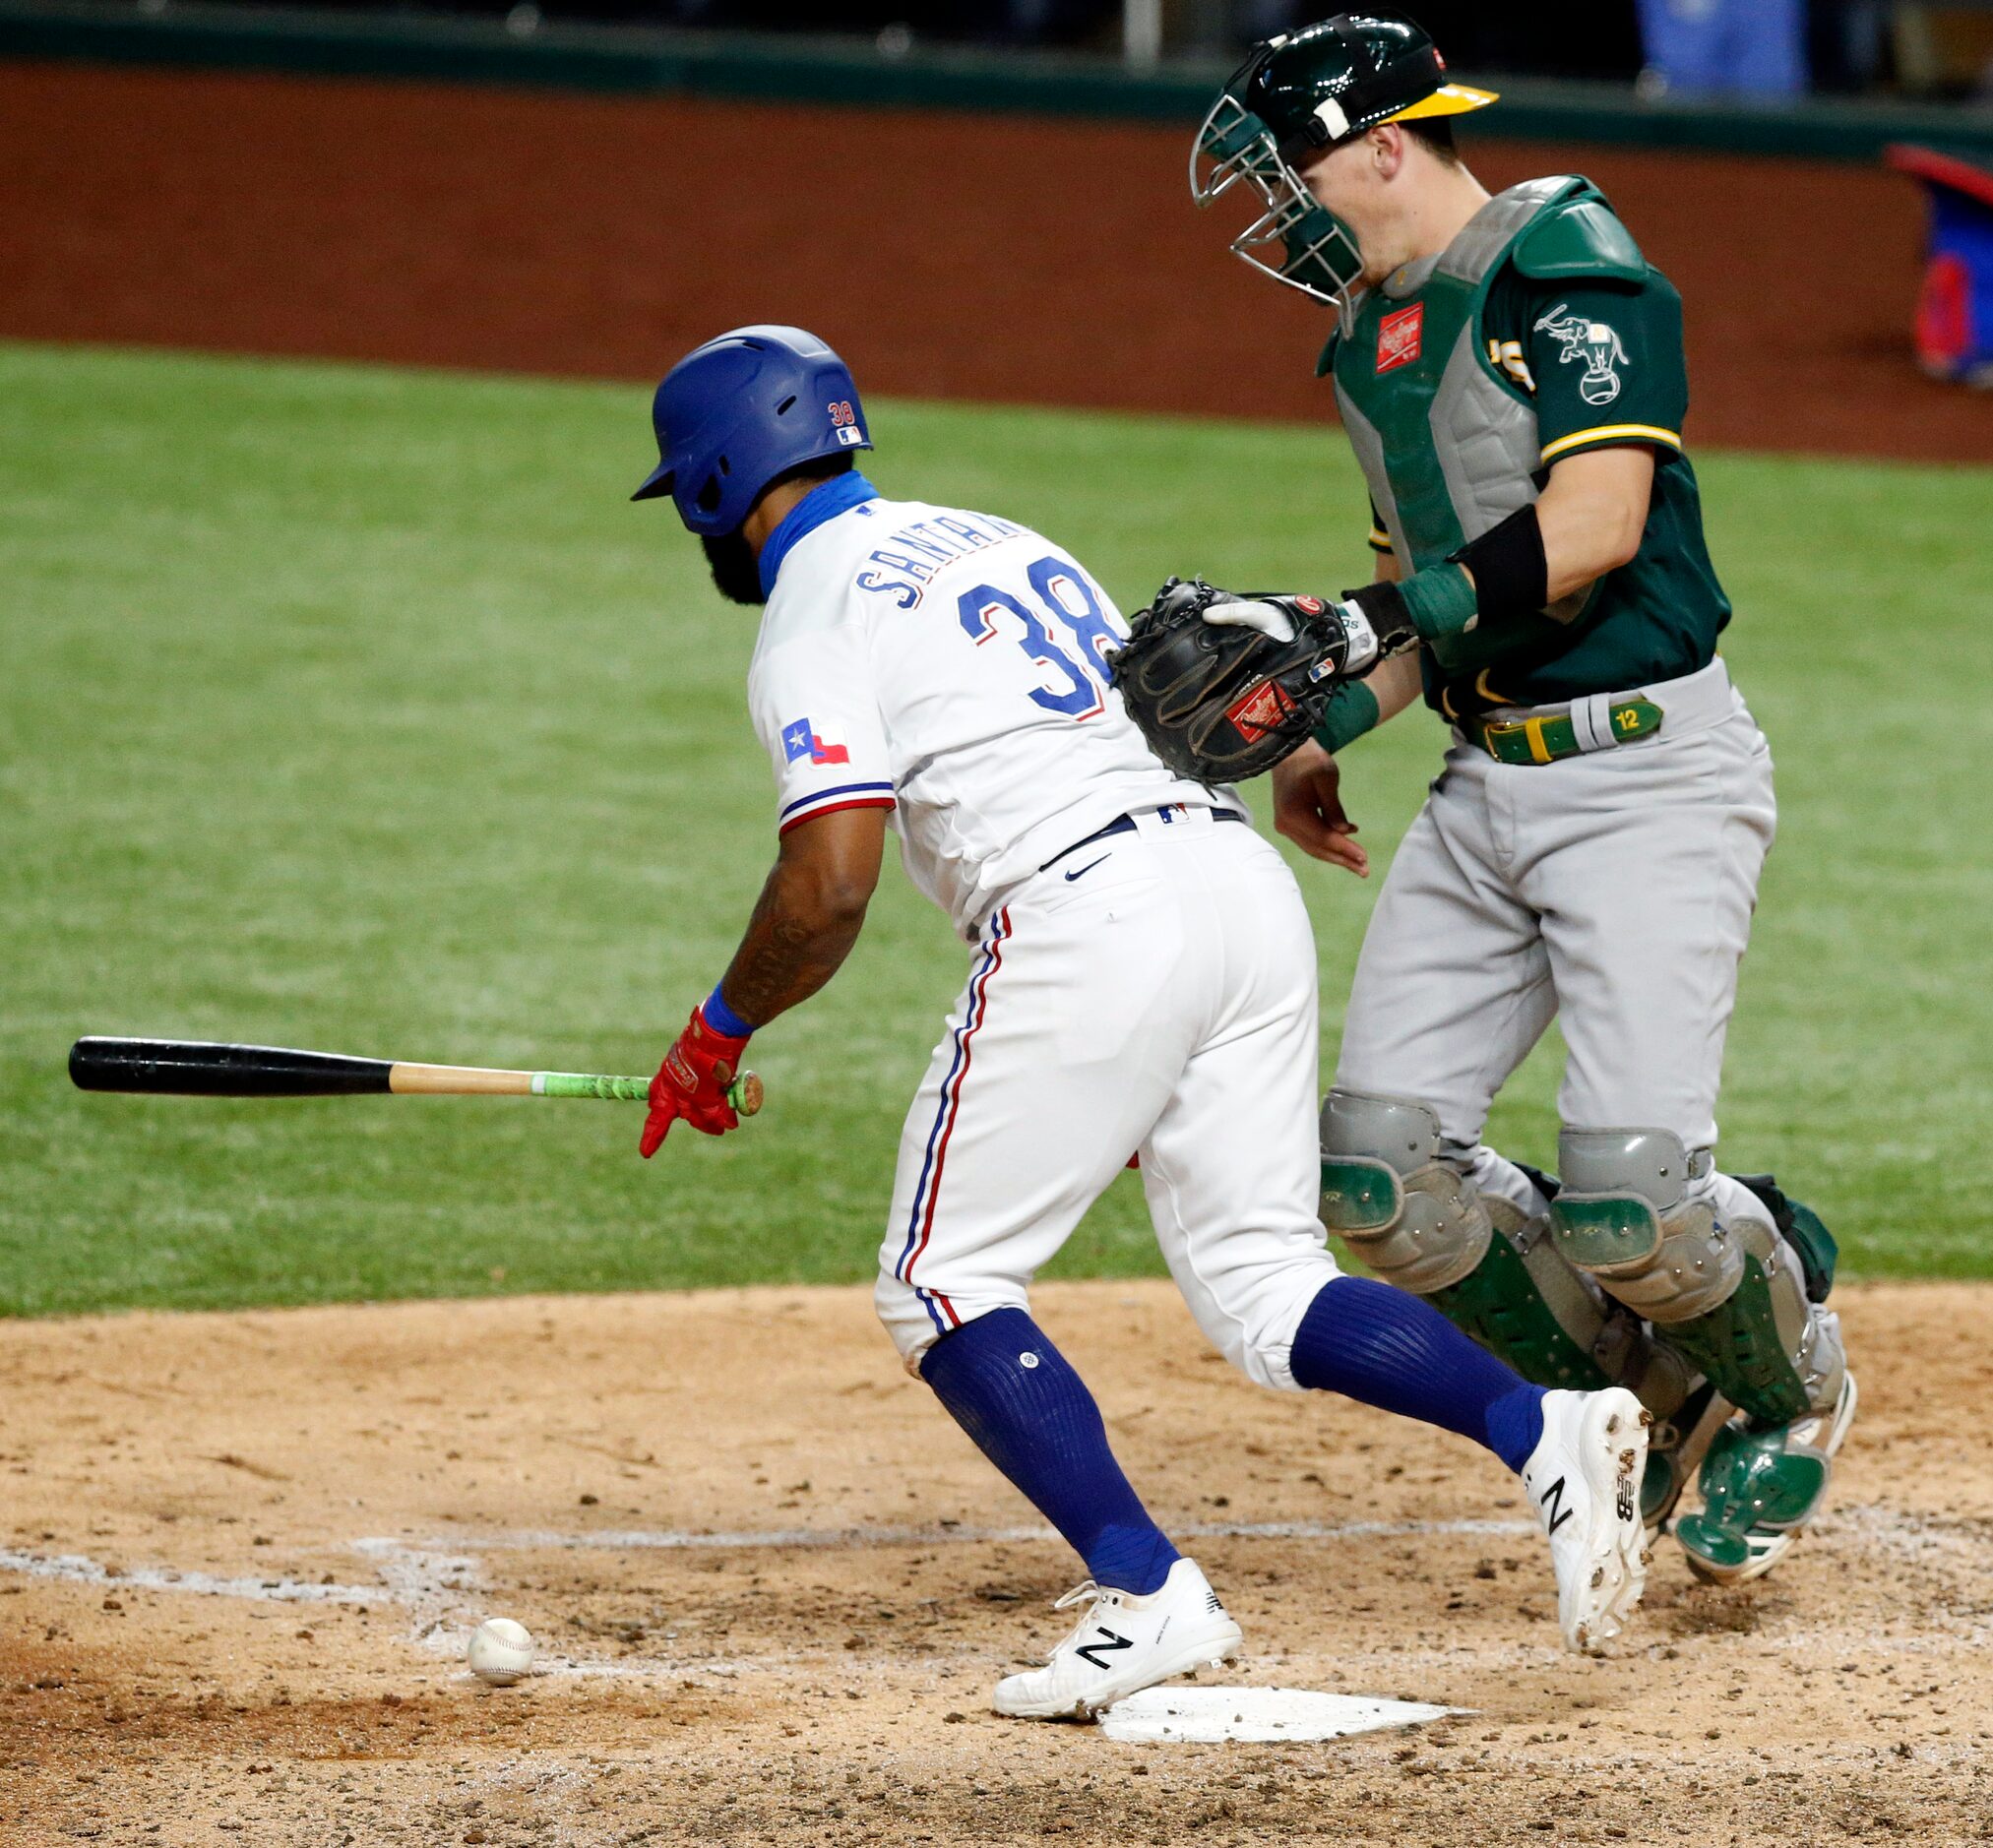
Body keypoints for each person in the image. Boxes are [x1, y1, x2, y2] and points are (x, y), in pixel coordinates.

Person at [630, 323, 1650, 1718]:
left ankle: (1146, 1589)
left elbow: (828, 884)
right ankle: (1539, 1425)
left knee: (941, 1281)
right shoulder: (994, 536)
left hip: (1089, 915)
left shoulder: (813, 613)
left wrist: (715, 1032)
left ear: (712, 485)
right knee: (1261, 1281)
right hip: (1230, 886)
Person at [1181, 13, 1854, 1585]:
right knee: (1377, 1179)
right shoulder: (1363, 339)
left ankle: (1788, 1383)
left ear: (1381, 146)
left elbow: (1594, 521)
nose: (1279, 206)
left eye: (1290, 168)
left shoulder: (1564, 259)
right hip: (1489, 785)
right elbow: (1420, 600)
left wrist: (1369, 620)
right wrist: (1323, 715)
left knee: (1632, 1206)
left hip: (1647, 782)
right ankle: (1646, 1388)